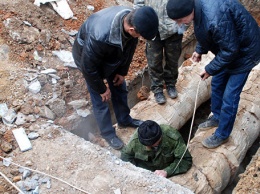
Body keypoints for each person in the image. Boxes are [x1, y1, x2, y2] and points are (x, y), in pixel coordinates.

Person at [166, 0, 260, 148]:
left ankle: (222, 134)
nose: (179, 24)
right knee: (217, 83)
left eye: (180, 20)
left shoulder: (214, 18)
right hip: (231, 48)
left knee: (230, 96)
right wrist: (199, 50)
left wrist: (210, 69)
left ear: (188, 11)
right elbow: (206, 33)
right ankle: (217, 116)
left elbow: (230, 50)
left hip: (245, 54)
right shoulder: (198, 10)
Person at [72, 6, 159, 150]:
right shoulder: (99, 36)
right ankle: (108, 134)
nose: (140, 38)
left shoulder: (132, 18)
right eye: (141, 36)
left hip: (112, 56)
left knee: (120, 87)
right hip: (88, 61)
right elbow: (88, 68)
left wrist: (122, 72)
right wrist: (101, 88)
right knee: (101, 100)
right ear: (132, 30)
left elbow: (130, 49)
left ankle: (124, 120)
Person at [134, 0, 186, 104]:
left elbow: (187, 5)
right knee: (154, 62)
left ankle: (171, 84)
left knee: (173, 60)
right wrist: (143, 24)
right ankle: (157, 89)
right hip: (153, 29)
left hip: (173, 30)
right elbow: (138, 5)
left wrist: (181, 27)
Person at [121, 120, 192, 177]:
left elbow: (185, 160)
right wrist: (135, 173)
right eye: (145, 144)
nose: (147, 147)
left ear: (160, 138)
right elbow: (125, 155)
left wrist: (167, 171)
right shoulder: (136, 140)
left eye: (150, 144)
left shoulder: (172, 138)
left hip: (166, 168)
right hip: (145, 171)